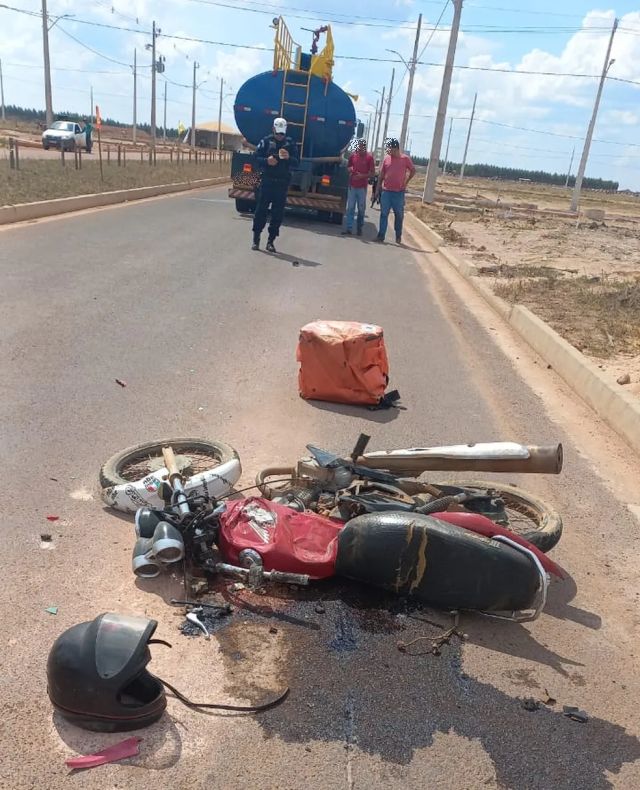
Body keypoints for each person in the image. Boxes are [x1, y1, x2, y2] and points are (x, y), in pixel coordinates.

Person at [252, 117, 299, 252]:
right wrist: (267, 161)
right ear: (273, 129)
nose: (280, 135)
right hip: (267, 182)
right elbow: (256, 158)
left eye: (282, 133)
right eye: (278, 132)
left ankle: (271, 241)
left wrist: (289, 157)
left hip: (282, 184)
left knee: (277, 214)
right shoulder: (265, 141)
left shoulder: (290, 144)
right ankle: (256, 239)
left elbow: (297, 162)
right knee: (260, 211)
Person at [375, 138, 415, 244]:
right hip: (386, 192)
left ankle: (398, 235)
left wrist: (406, 182)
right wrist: (377, 189)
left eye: (390, 149)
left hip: (398, 193)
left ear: (396, 148)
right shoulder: (386, 159)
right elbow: (381, 176)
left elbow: (413, 170)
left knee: (399, 215)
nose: (389, 151)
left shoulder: (405, 159)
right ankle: (381, 235)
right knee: (384, 214)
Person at [342, 139, 375, 236]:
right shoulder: (353, 156)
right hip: (352, 186)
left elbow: (372, 173)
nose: (360, 149)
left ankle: (359, 227)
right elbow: (348, 167)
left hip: (362, 188)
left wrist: (362, 176)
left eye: (362, 147)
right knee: (350, 208)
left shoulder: (369, 158)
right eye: (359, 146)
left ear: (365, 147)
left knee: (361, 209)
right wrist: (350, 170)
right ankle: (349, 228)